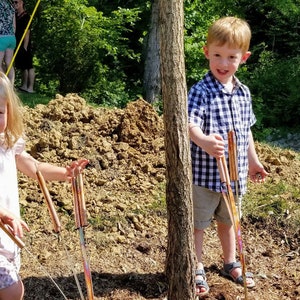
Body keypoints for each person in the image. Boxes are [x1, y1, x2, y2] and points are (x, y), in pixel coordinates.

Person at [188, 16, 268, 297]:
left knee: (229, 220)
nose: (223, 64)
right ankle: (195, 266)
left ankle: (230, 261)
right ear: (206, 52)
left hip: (235, 174)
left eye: (231, 57)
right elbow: (189, 124)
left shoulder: (243, 92)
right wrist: (204, 141)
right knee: (198, 223)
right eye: (217, 55)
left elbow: (245, 131)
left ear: (243, 58)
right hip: (204, 175)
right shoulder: (200, 90)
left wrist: (254, 161)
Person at [0, 71, 89, 300]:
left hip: (9, 236)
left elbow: (34, 166)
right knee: (12, 290)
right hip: (4, 226)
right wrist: (4, 214)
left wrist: (65, 173)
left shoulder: (8, 144)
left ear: (9, 113)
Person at [14, 0, 35, 93]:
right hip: (16, 43)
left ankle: (30, 87)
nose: (14, 4)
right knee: (23, 66)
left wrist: (25, 47)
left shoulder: (26, 16)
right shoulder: (15, 15)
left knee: (28, 65)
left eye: (16, 2)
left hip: (24, 44)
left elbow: (27, 32)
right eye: (13, 2)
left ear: (21, 3)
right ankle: (24, 85)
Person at [0, 0, 16, 83]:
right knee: (9, 63)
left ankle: (3, 87)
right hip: (12, 37)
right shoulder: (10, 4)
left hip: (1, 37)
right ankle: (11, 88)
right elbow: (14, 25)